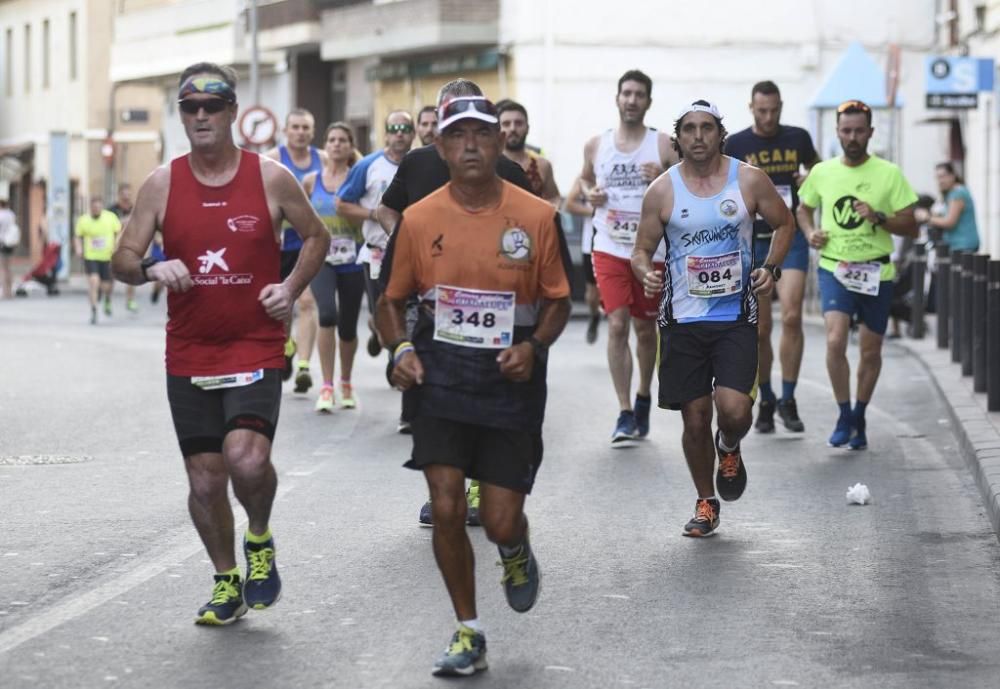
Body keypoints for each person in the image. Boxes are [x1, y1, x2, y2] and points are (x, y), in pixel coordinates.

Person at [111, 62, 329, 625]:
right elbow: (122, 259)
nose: (201, 115)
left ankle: (259, 539)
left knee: (246, 460)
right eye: (190, 107)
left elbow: (317, 236)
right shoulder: (162, 183)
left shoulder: (271, 177)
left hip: (254, 344)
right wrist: (154, 268)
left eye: (213, 106)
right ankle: (226, 579)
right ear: (182, 115)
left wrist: (289, 287)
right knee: (206, 478)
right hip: (190, 350)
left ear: (233, 111)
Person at [375, 94, 572, 676]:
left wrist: (534, 348)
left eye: (481, 136)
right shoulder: (419, 218)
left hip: (510, 376)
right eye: (457, 135)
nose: (469, 146)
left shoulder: (535, 216)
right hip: (440, 371)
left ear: (498, 143)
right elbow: (391, 300)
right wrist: (401, 347)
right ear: (439, 146)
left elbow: (560, 301)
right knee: (446, 504)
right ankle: (468, 629)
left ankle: (514, 549)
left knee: (503, 518)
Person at [375, 79, 539, 529]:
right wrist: (407, 243)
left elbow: (537, 235)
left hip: (499, 307)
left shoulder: (508, 170)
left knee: (487, 399)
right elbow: (388, 210)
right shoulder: (418, 162)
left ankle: (479, 486)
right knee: (438, 400)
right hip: (433, 305)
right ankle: (448, 485)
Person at [632, 100, 794, 537]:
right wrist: (645, 272)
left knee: (735, 410)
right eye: (689, 129)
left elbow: (785, 223)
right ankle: (706, 502)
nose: (698, 136)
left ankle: (730, 445)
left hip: (736, 315)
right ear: (678, 137)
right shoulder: (662, 191)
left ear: (720, 133)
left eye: (706, 128)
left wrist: (772, 267)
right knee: (695, 417)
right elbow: (641, 249)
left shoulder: (749, 179)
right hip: (683, 319)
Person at [797, 99, 918, 450]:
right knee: (835, 340)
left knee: (870, 350)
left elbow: (911, 226)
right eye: (846, 131)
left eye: (859, 131)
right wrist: (809, 234)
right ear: (837, 133)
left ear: (870, 133)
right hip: (836, 267)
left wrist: (879, 216)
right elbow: (804, 209)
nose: (852, 137)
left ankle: (860, 415)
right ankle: (843, 413)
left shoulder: (889, 173)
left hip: (877, 270)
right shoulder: (822, 172)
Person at [580, 69, 677, 446]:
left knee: (644, 329)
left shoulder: (664, 144)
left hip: (651, 249)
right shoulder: (596, 145)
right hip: (608, 246)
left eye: (639, 94)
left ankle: (642, 396)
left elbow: (690, 186)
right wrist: (591, 194)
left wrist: (666, 173)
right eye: (626, 93)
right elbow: (584, 181)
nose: (632, 100)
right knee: (617, 323)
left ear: (648, 102)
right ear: (617, 98)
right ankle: (623, 412)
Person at [724, 81, 819, 433]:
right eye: (761, 110)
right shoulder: (736, 144)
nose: (768, 117)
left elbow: (820, 174)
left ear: (781, 106)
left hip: (788, 235)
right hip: (753, 242)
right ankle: (766, 398)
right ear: (751, 107)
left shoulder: (799, 138)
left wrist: (808, 177)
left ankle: (789, 398)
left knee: (792, 316)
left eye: (774, 110)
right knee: (760, 328)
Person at [336, 110, 415, 358]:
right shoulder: (367, 165)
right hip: (378, 253)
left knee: (406, 308)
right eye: (394, 130)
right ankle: (380, 331)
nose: (399, 135)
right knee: (382, 309)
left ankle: (396, 358)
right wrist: (373, 214)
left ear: (413, 134)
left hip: (410, 252)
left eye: (405, 130)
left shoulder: (421, 164)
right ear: (385, 134)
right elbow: (342, 203)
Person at [302, 122, 365, 412]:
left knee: (349, 327)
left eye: (342, 140)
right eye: (331, 139)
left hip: (352, 260)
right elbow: (302, 218)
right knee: (327, 314)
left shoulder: (358, 179)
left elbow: (365, 221)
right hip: (322, 259)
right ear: (325, 146)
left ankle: (346, 382)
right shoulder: (312, 181)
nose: (336, 144)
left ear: (350, 146)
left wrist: (348, 211)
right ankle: (326, 387)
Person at [264, 109, 326, 389]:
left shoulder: (322, 160)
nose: (300, 132)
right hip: (279, 245)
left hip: (309, 243)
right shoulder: (272, 159)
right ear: (286, 131)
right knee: (281, 305)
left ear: (312, 132)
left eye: (306, 127)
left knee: (307, 302)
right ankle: (286, 346)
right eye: (295, 127)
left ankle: (303, 365)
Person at [498, 100, 561, 206]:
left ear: (527, 128)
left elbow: (554, 197)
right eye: (506, 124)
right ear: (497, 129)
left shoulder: (542, 165)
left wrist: (551, 215)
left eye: (518, 123)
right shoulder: (488, 165)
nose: (512, 128)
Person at [564, 175, 602, 343]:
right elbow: (569, 204)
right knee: (592, 293)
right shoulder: (586, 179)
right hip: (592, 243)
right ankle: (594, 315)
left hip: (624, 243)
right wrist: (595, 212)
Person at [74, 196, 122, 324]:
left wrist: (117, 246)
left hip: (107, 256)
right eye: (94, 207)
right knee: (94, 282)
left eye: (99, 207)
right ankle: (94, 311)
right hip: (91, 256)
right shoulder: (83, 220)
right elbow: (78, 236)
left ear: (102, 207)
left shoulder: (110, 217)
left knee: (106, 286)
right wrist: (79, 248)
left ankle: (107, 298)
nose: (96, 209)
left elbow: (119, 233)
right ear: (91, 208)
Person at [915, 162, 979, 253]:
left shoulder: (958, 193)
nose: (940, 181)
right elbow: (942, 214)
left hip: (963, 246)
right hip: (958, 245)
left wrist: (927, 217)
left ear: (952, 176)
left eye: (943, 176)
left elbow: (950, 222)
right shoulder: (950, 193)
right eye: (937, 177)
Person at [109, 183, 139, 312]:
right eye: (124, 194)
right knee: (111, 276)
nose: (126, 197)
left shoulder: (135, 208)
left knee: (132, 273)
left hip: (131, 244)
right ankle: (107, 299)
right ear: (119, 195)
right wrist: (122, 222)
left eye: (129, 194)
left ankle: (130, 300)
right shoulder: (111, 210)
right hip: (114, 245)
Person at [0, 198, 18, 299]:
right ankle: (10, 291)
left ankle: (4, 292)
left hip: (1, 243)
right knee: (8, 268)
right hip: (10, 243)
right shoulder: (11, 214)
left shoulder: (0, 215)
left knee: (2, 268)